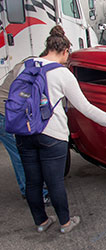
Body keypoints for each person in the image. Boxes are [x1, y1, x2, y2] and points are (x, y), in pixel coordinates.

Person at [15, 25, 106, 234]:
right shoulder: (62, 74)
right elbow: (84, 107)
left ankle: (41, 222)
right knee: (54, 181)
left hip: (24, 132)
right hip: (51, 135)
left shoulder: (26, 66)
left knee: (33, 181)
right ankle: (65, 223)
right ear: (65, 51)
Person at [0, 59, 50, 203]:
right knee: (22, 156)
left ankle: (33, 189)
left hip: (9, 113)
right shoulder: (34, 69)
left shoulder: (29, 64)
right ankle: (38, 194)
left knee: (23, 155)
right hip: (7, 115)